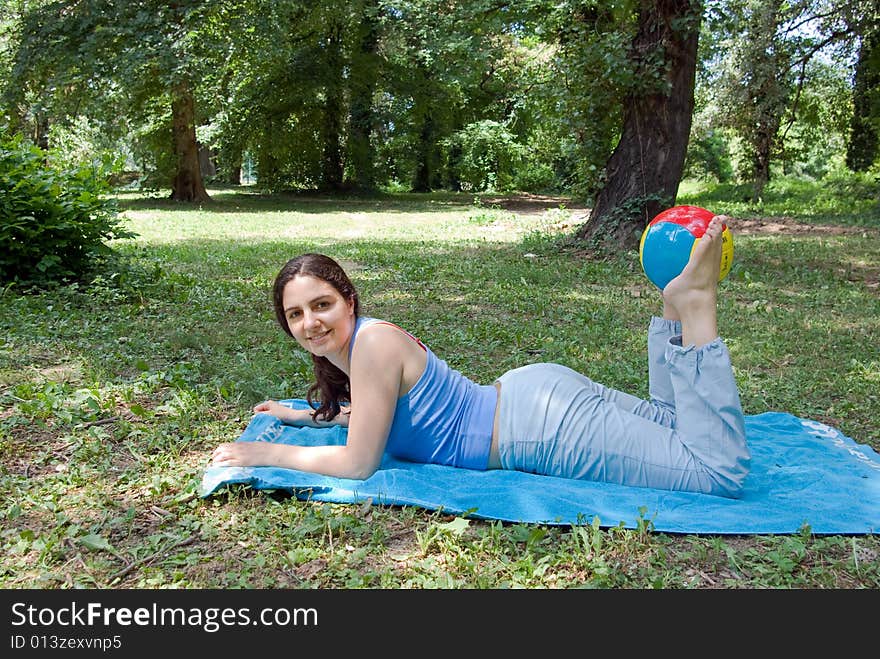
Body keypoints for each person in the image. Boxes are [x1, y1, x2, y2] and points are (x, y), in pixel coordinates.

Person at [211, 215, 751, 497]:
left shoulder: (371, 346)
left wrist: (264, 454)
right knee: (672, 422)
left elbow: (357, 462)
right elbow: (371, 420)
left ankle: (694, 309)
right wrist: (299, 417)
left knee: (717, 472)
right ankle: (674, 312)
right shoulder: (362, 347)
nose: (311, 323)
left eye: (322, 304)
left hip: (538, 429)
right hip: (533, 398)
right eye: (296, 314)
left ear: (349, 301)